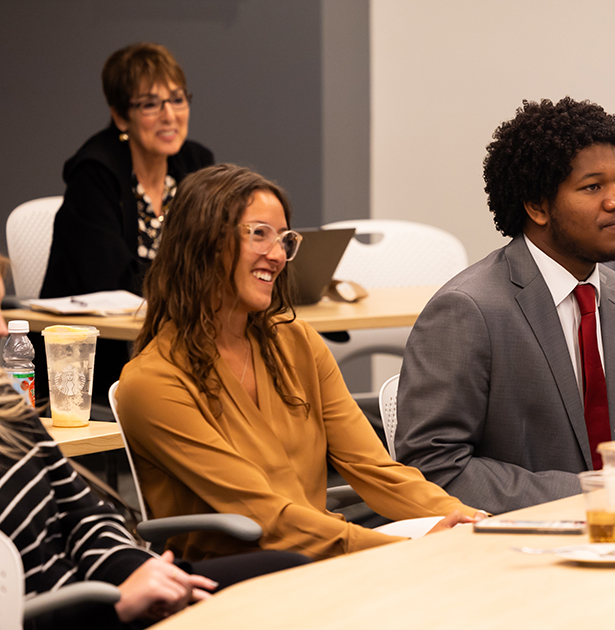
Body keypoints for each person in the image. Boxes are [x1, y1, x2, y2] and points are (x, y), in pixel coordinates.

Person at [115, 165, 481, 562]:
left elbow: (376, 470)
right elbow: (265, 518)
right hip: (235, 578)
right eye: (259, 234)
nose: (276, 255)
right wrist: (403, 550)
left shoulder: (298, 344)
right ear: (202, 242)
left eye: (284, 239)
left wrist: (469, 521)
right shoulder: (152, 383)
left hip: (321, 555)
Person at [0, 258, 306, 630]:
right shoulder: (154, 380)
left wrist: (140, 574)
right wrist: (117, 607)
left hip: (105, 595)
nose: (5, 331)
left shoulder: (8, 405)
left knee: (290, 574)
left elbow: (83, 517)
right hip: (79, 618)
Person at [394, 97, 615, 515]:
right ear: (537, 206)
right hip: (515, 549)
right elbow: (433, 467)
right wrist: (588, 494)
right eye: (593, 187)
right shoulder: (468, 310)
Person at [41, 42, 214, 409]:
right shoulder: (94, 174)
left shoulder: (195, 164)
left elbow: (214, 252)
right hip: (95, 354)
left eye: (178, 99)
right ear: (121, 117)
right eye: (151, 104)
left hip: (173, 334)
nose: (170, 115)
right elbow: (112, 278)